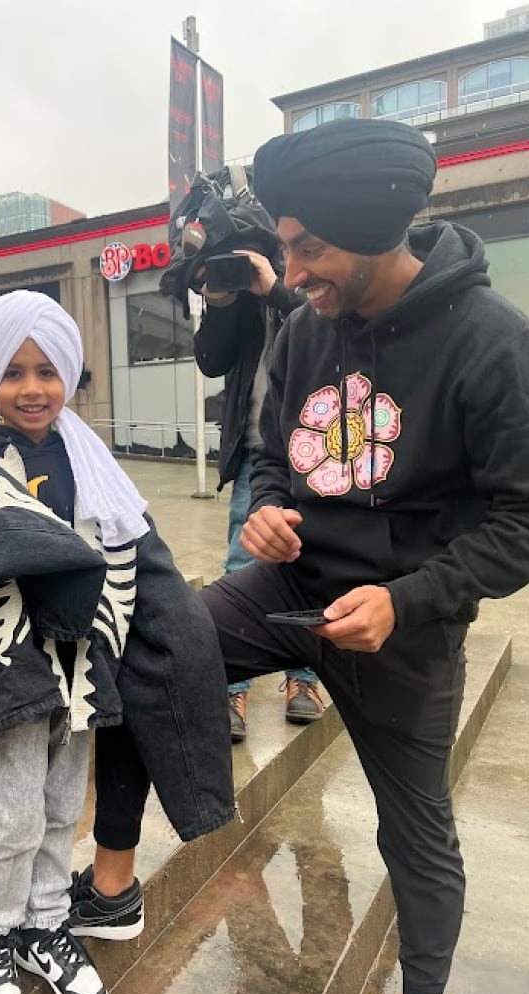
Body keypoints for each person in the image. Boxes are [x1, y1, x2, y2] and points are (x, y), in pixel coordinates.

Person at [198, 119, 529, 994]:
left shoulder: (496, 344)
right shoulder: (306, 332)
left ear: (377, 229)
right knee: (159, 642)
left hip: (407, 627)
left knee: (415, 829)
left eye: (312, 247)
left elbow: (525, 521)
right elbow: (271, 454)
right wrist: (267, 510)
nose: (294, 269)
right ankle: (115, 877)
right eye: (284, 245)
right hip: (289, 588)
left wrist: (409, 598)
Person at [0, 290, 234, 994]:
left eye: (47, 369)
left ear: (69, 374)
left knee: (55, 809)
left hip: (79, 662)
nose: (32, 387)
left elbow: (131, 552)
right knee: (12, 811)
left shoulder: (91, 457)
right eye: (13, 371)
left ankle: (44, 923)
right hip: (7, 669)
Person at [194, 258, 324, 739]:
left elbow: (328, 330)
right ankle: (232, 685)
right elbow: (211, 360)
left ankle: (304, 681)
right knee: (241, 562)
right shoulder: (241, 299)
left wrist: (275, 289)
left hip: (321, 450)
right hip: (256, 450)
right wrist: (222, 302)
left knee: (313, 563)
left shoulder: (308, 277)